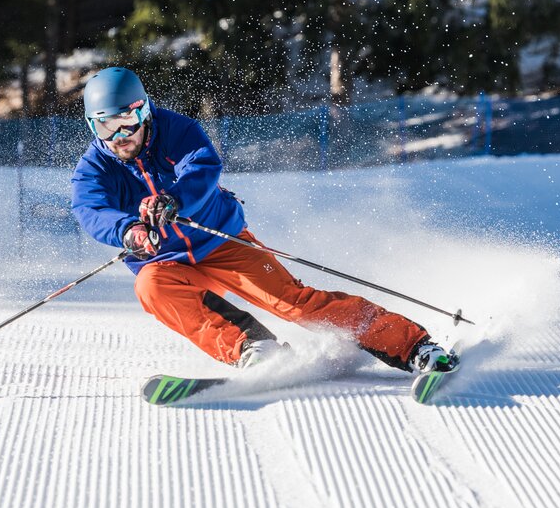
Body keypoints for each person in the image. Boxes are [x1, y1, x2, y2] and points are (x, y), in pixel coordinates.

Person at [71, 66, 459, 376]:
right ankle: (254, 348)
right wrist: (128, 229)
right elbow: (90, 209)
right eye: (105, 126)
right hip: (164, 259)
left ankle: (414, 346)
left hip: (221, 240)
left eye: (128, 120)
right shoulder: (95, 166)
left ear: (145, 110)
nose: (120, 135)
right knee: (151, 288)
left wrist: (176, 200)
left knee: (294, 304)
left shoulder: (177, 130)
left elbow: (203, 168)